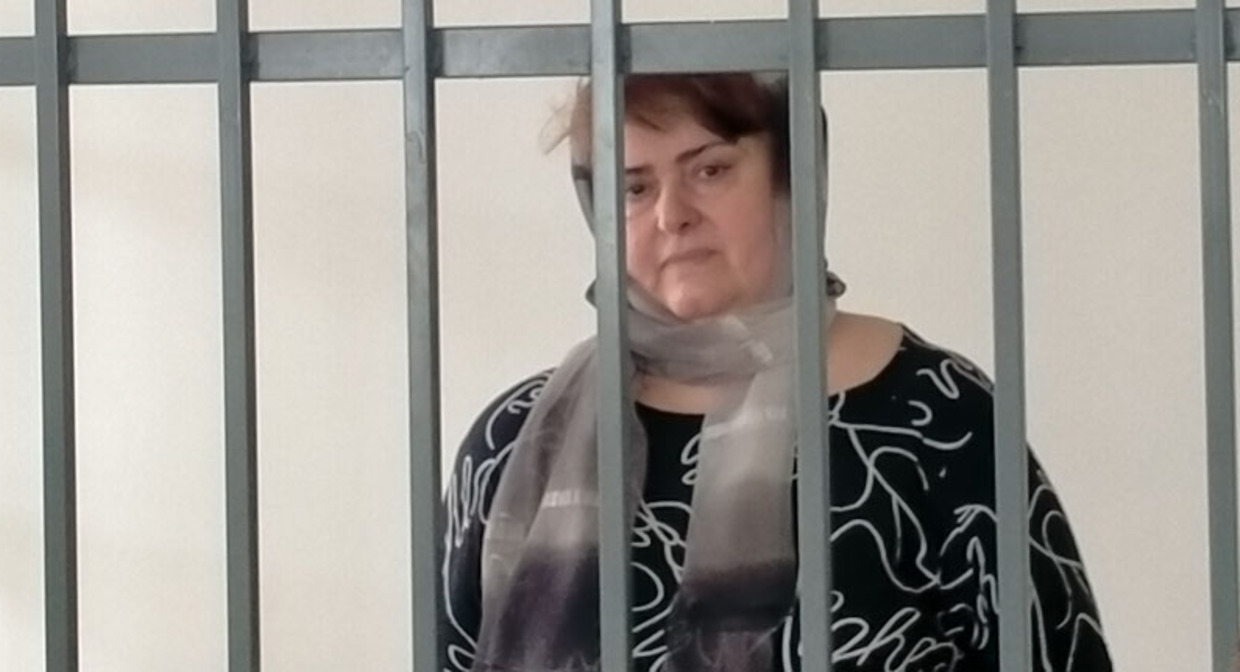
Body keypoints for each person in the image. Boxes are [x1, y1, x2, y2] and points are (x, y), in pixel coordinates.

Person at [439, 73, 1113, 672]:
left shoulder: (938, 417)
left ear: (792, 179)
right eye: (634, 187)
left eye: (710, 170)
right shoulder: (517, 443)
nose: (672, 215)